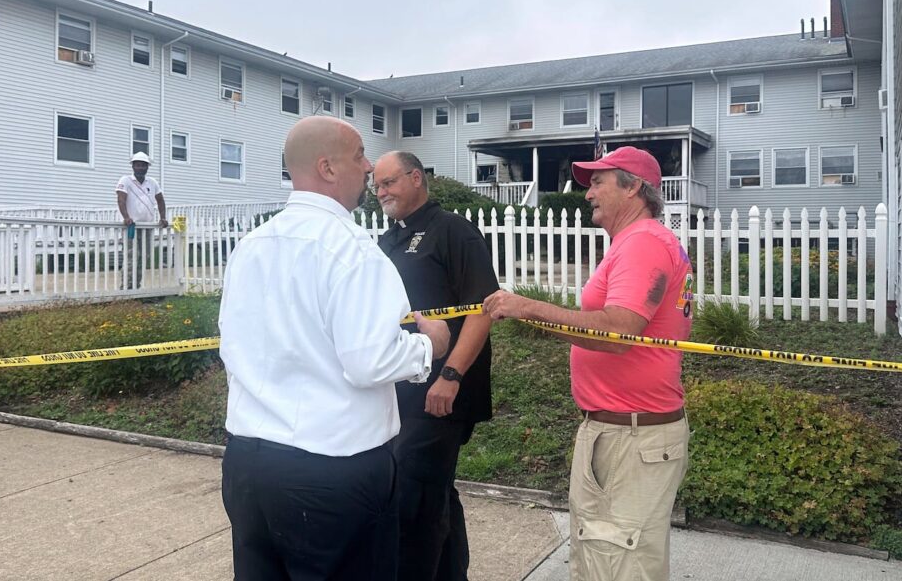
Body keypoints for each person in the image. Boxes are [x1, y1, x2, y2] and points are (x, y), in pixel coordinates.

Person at [219, 117, 451, 581]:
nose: (368, 167)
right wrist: (430, 343)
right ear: (327, 168)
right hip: (331, 472)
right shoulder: (353, 249)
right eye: (360, 155)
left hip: (247, 465)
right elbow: (371, 360)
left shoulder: (251, 245)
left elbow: (232, 342)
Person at [482, 146, 694, 581]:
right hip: (620, 432)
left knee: (619, 565)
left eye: (598, 182)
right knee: (603, 559)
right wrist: (529, 314)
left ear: (633, 187)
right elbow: (603, 333)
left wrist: (529, 308)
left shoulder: (643, 242)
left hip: (632, 438)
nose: (587, 193)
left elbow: (617, 333)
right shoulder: (636, 242)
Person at [372, 151, 498, 581]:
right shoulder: (388, 240)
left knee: (416, 500)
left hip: (442, 394)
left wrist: (450, 376)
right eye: (376, 186)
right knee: (436, 494)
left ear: (416, 178)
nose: (380, 192)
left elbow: (482, 310)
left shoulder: (453, 232)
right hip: (402, 389)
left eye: (388, 183)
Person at [115, 152, 167, 289]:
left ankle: (136, 287)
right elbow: (121, 199)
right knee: (131, 257)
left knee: (144, 257)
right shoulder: (125, 180)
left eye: (143, 165)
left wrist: (163, 217)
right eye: (137, 165)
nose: (140, 168)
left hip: (147, 227)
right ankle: (126, 288)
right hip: (132, 226)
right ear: (133, 166)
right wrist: (126, 217)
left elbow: (160, 200)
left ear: (147, 167)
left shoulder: (153, 182)